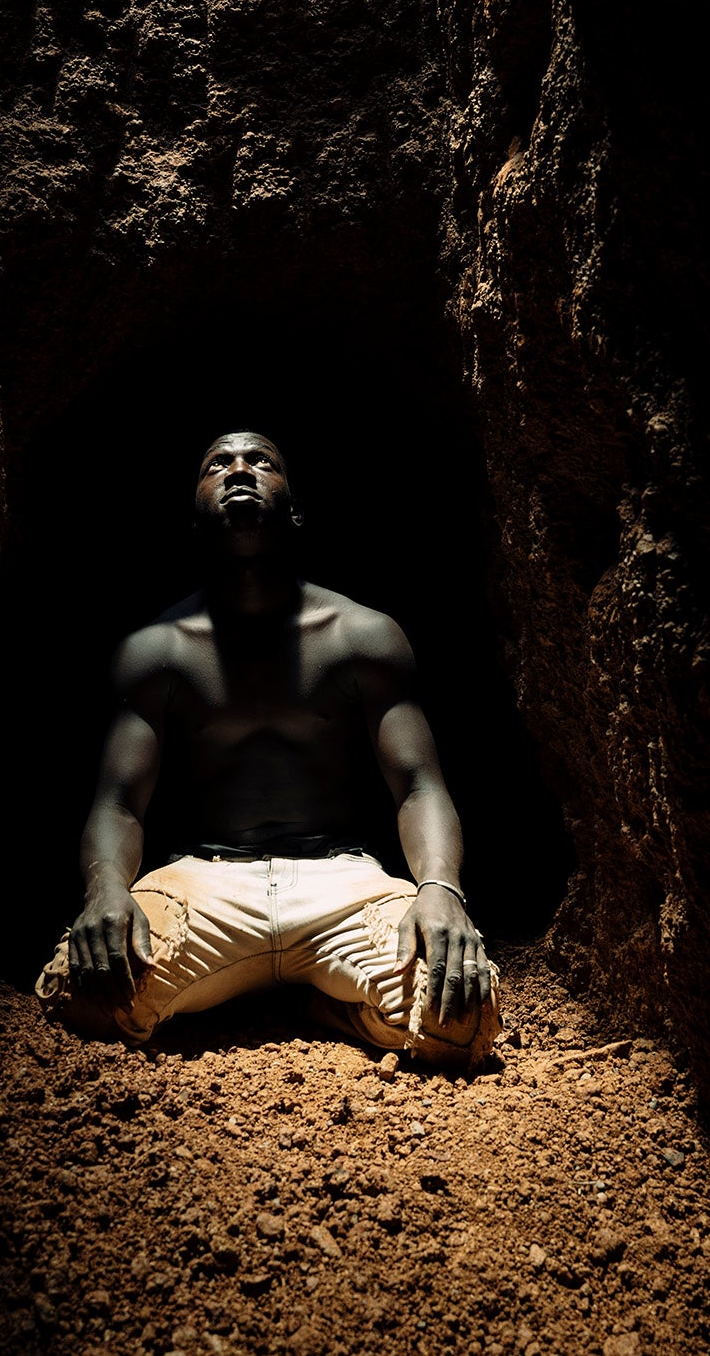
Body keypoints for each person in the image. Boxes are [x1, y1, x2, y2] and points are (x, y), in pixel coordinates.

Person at [34, 432, 502, 1071]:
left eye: (260, 460)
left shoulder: (362, 635)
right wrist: (106, 892)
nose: (238, 471)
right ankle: (280, 982)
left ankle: (323, 1001)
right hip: (207, 879)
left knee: (464, 1014)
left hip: (341, 883)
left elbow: (419, 785)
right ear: (196, 512)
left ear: (295, 506)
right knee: (78, 990)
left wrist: (440, 888)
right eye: (216, 464)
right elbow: (118, 803)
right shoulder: (157, 650)